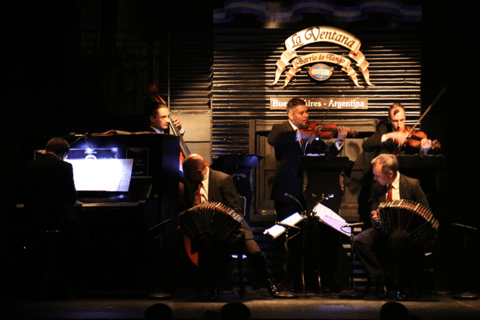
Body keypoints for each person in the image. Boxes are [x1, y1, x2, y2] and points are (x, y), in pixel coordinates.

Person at [181, 154, 296, 300]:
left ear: (198, 170)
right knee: (208, 245)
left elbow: (236, 210)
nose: (185, 176)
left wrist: (230, 226)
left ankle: (269, 283)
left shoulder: (223, 179)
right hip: (206, 232)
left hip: (232, 228)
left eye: (187, 172)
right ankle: (214, 287)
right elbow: (188, 208)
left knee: (255, 252)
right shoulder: (190, 183)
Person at [266, 97, 349, 292]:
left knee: (309, 240)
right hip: (287, 193)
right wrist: (300, 135)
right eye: (302, 113)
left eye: (307, 112)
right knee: (288, 238)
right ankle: (287, 280)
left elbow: (326, 156)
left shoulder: (313, 135)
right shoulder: (280, 128)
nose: (306, 116)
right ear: (291, 114)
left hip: (309, 195)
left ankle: (310, 281)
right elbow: (273, 140)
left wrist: (338, 142)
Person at [353, 154, 431, 301]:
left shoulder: (412, 185)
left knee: (397, 237)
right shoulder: (377, 188)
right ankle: (381, 276)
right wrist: (376, 218)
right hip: (383, 229)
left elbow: (426, 212)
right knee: (359, 241)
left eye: (377, 175)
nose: (375, 178)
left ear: (390, 173)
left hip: (406, 233)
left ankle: (398, 285)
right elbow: (373, 212)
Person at [17, 137, 82, 235]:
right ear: (63, 154)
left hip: (32, 220)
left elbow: (22, 193)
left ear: (46, 150)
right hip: (58, 220)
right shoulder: (65, 166)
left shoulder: (27, 166)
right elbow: (71, 197)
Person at [363, 102, 441, 156]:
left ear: (405, 117)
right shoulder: (383, 129)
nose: (399, 125)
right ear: (389, 119)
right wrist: (389, 135)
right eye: (395, 121)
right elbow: (366, 145)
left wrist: (424, 149)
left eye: (402, 120)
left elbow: (418, 159)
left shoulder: (411, 133)